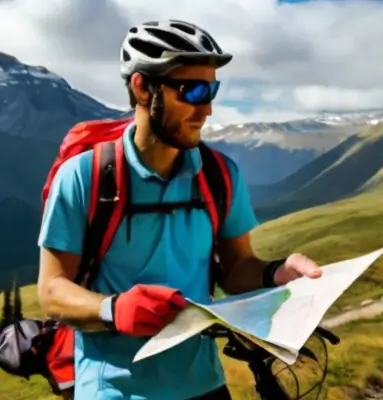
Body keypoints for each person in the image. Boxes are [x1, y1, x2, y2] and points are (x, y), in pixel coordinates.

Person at [37, 19, 322, 400]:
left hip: (205, 384)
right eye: (192, 90)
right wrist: (114, 308)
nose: (206, 110)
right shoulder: (84, 177)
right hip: (113, 390)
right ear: (142, 87)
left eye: (213, 90)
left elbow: (236, 271)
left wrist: (277, 271)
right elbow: (52, 292)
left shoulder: (219, 175)